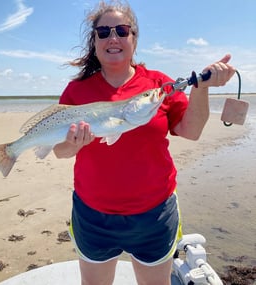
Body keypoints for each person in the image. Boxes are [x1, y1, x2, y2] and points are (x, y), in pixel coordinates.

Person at [53, 1, 235, 284]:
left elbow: (191, 131)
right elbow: (59, 151)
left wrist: (202, 88)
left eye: (122, 30)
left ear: (134, 38)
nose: (113, 38)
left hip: (154, 216)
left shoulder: (158, 85)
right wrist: (74, 144)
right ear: (95, 40)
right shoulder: (76, 90)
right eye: (104, 32)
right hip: (93, 216)